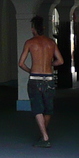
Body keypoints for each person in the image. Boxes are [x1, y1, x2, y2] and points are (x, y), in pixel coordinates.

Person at [18, 15, 64, 148]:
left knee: (37, 108)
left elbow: (21, 63)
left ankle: (44, 137)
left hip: (35, 79)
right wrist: (50, 65)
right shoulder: (51, 43)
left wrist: (31, 70)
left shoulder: (30, 42)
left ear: (33, 29)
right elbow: (60, 61)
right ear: (43, 28)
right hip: (49, 79)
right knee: (48, 109)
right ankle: (44, 133)